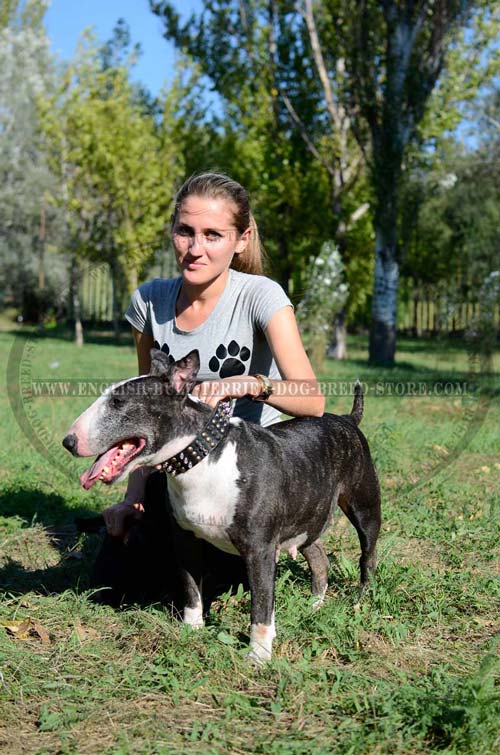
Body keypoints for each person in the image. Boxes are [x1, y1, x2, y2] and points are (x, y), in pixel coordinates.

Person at [102, 171, 324, 545]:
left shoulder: (261, 296)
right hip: (182, 475)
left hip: (250, 479)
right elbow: (148, 415)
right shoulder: (148, 301)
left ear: (242, 239)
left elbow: (313, 401)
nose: (195, 248)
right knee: (116, 578)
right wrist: (133, 499)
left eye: (213, 235)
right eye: (185, 231)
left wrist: (247, 383)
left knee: (202, 572)